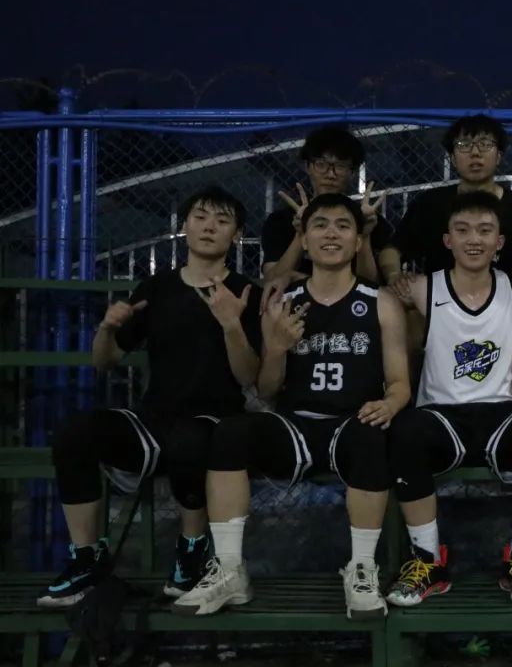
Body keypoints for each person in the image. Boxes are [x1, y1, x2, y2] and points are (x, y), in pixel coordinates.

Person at [173, 193, 410, 619]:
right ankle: (229, 569)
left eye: (343, 225)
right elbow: (266, 391)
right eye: (320, 225)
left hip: (351, 423)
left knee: (373, 434)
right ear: (304, 238)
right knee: (230, 431)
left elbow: (399, 383)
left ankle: (361, 569)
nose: (331, 234)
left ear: (358, 241)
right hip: (294, 425)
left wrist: (390, 404)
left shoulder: (380, 302)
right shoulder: (282, 301)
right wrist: (278, 347)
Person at [38, 186, 262, 607]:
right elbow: (105, 361)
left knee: (191, 439)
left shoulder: (246, 292)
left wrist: (231, 324)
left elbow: (249, 377)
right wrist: (107, 328)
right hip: (154, 419)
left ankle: (192, 551)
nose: (209, 226)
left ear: (236, 235)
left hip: (215, 420)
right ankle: (87, 558)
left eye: (222, 220)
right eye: (200, 217)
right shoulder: (156, 288)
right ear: (184, 226)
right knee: (75, 433)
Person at [383, 191, 512, 607]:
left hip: (500, 417)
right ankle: (428, 562)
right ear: (447, 240)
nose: (474, 239)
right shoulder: (421, 287)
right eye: (463, 230)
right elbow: (365, 290)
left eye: (485, 231)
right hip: (441, 418)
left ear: (499, 242)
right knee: (404, 430)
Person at [378, 114, 512, 292]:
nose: (475, 152)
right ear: (453, 159)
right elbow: (392, 250)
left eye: (485, 144)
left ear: (499, 157)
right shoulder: (430, 204)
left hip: (506, 301)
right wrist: (394, 275)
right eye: (464, 145)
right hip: (439, 300)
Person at [261, 125, 390, 286]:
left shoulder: (369, 220)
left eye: (340, 166)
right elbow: (272, 282)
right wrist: (300, 233)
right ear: (308, 167)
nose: (330, 174)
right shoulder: (280, 221)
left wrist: (364, 234)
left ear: (352, 172)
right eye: (321, 164)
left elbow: (372, 288)